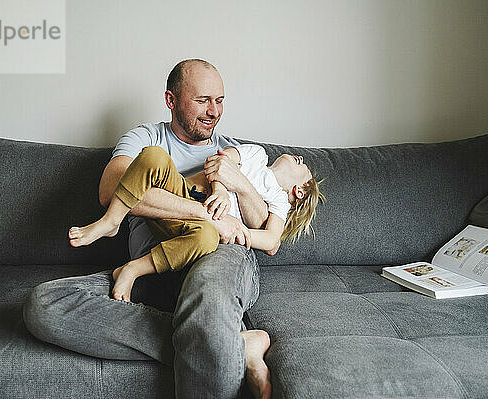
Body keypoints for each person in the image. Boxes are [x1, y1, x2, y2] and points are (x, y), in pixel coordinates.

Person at [23, 59, 292, 399]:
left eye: (219, 100)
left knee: (207, 297)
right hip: (153, 268)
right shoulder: (147, 138)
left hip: (219, 257)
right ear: (171, 100)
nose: (213, 111)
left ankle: (212, 334)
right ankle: (232, 343)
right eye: (202, 100)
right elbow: (112, 190)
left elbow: (257, 225)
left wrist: (238, 183)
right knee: (44, 304)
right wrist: (202, 212)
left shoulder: (234, 152)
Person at [68, 143, 323, 303]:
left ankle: (133, 269)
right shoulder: (257, 154)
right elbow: (221, 161)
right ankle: (111, 220)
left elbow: (271, 241)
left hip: (197, 229)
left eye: (302, 165)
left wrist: (239, 230)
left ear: (299, 191)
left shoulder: (278, 201)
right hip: (182, 193)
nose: (298, 157)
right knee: (154, 155)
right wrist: (221, 190)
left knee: (206, 238)